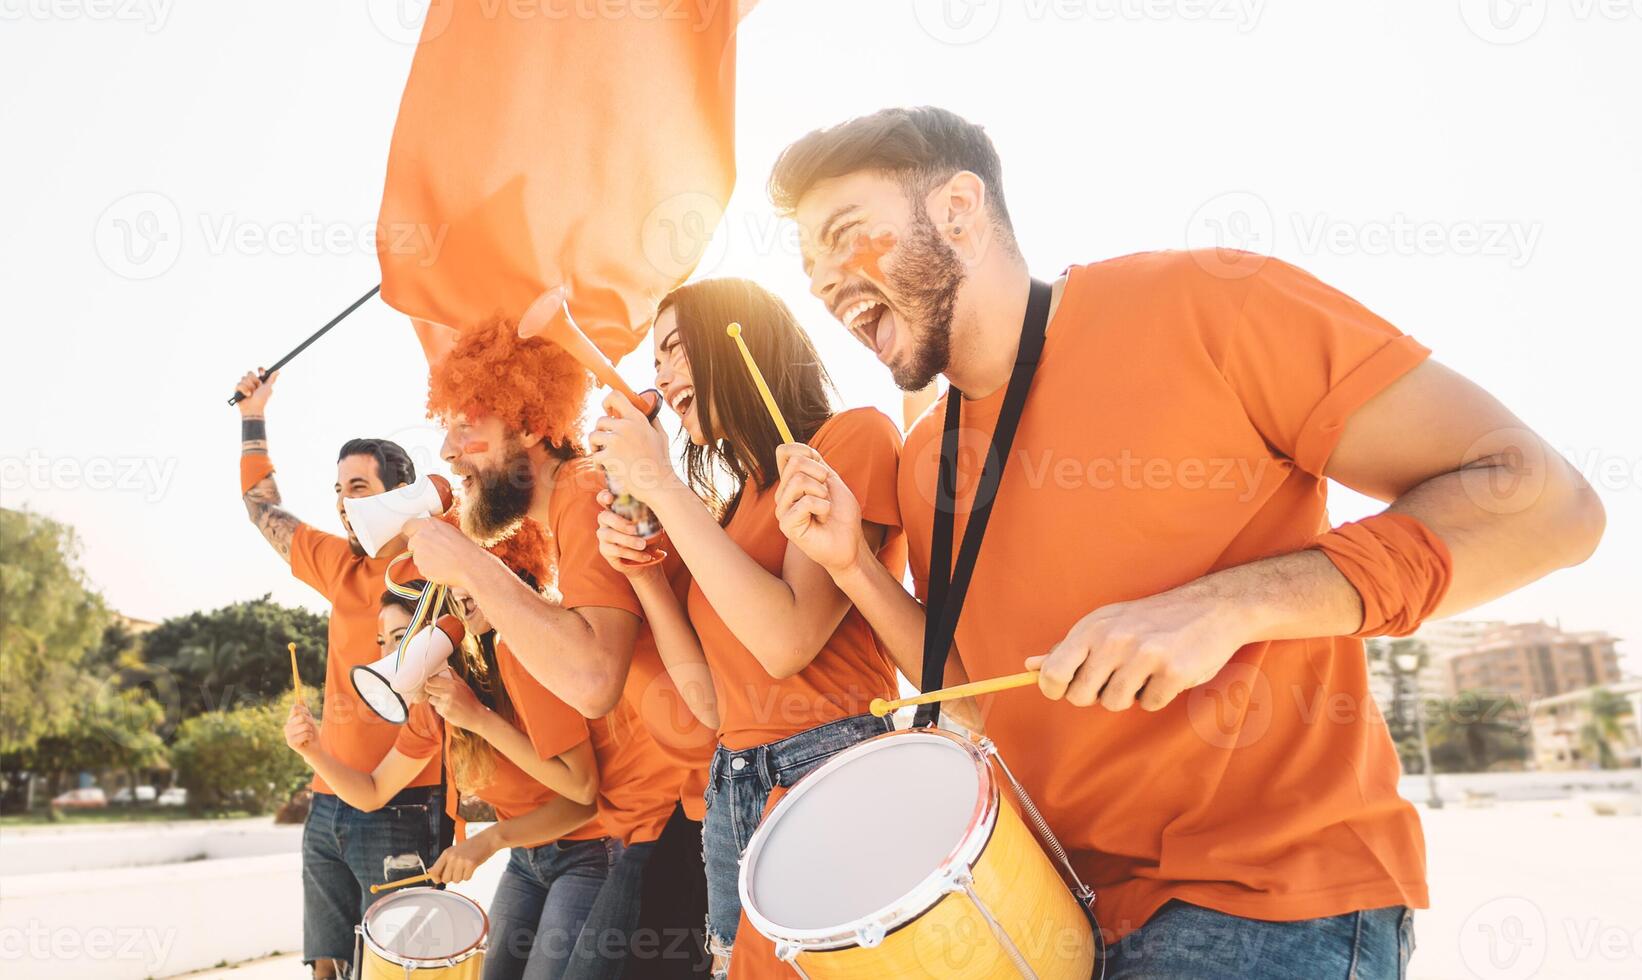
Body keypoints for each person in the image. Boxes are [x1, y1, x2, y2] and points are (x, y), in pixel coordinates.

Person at [764, 107, 1607, 978]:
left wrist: (1222, 608)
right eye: (811, 266)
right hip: (1060, 908)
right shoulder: (925, 459)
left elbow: (1548, 505)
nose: (825, 283)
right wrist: (851, 566)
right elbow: (974, 697)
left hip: (1266, 898)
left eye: (845, 237)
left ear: (959, 212)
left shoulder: (1208, 302)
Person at [586, 277, 905, 976]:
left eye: (675, 349)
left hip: (829, 770)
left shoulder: (850, 439)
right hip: (730, 786)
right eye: (655, 362)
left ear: (741, 339)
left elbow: (786, 641)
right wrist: (645, 576)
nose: (662, 376)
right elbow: (707, 703)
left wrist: (664, 485)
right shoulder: (730, 514)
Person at [400, 321, 707, 978]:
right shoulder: (576, 507)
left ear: (533, 423)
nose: (450, 453)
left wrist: (469, 564)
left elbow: (594, 678)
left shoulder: (583, 488)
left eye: (466, 426)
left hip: (680, 815)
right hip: (658, 820)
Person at [286, 519, 606, 980]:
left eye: (401, 638)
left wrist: (489, 835)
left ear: (438, 622)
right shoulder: (439, 703)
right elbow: (374, 792)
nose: (389, 658)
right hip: (526, 856)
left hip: (589, 851)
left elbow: (584, 798)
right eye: (383, 643)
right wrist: (314, 752)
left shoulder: (519, 662)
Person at [233, 369, 443, 979]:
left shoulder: (440, 567)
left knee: (398, 969)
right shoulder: (339, 565)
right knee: (326, 969)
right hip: (327, 801)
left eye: (359, 486)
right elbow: (261, 507)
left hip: (407, 801)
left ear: (397, 492)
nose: (344, 501)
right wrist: (254, 414)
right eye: (339, 489)